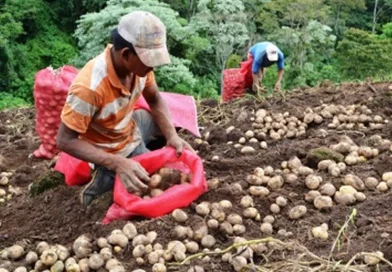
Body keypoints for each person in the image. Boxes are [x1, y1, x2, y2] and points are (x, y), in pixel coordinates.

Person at [56, 11, 194, 208]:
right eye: (149, 62)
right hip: (110, 148)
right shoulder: (89, 88)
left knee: (169, 125)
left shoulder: (139, 70)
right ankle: (102, 179)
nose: (152, 68)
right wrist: (116, 163)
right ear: (126, 55)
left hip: (131, 125)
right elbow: (64, 140)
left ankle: (146, 150)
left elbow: (154, 99)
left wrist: (171, 135)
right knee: (149, 181)